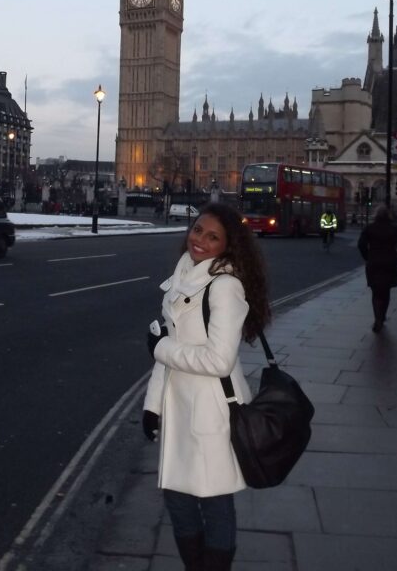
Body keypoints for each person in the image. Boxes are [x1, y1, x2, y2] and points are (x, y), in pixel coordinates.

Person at [143, 202, 271, 570]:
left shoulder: (225, 286)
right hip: (179, 408)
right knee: (178, 500)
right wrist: (152, 407)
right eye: (198, 229)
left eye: (212, 236)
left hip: (211, 411)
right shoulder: (184, 275)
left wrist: (162, 347)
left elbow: (218, 360)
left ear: (227, 247)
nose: (199, 239)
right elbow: (165, 354)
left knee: (214, 501)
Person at [358, 205, 397, 333]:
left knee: (376, 292)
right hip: (390, 262)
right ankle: (382, 317)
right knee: (386, 291)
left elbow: (361, 244)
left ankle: (377, 318)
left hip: (374, 262)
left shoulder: (369, 228)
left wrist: (367, 256)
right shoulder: (394, 229)